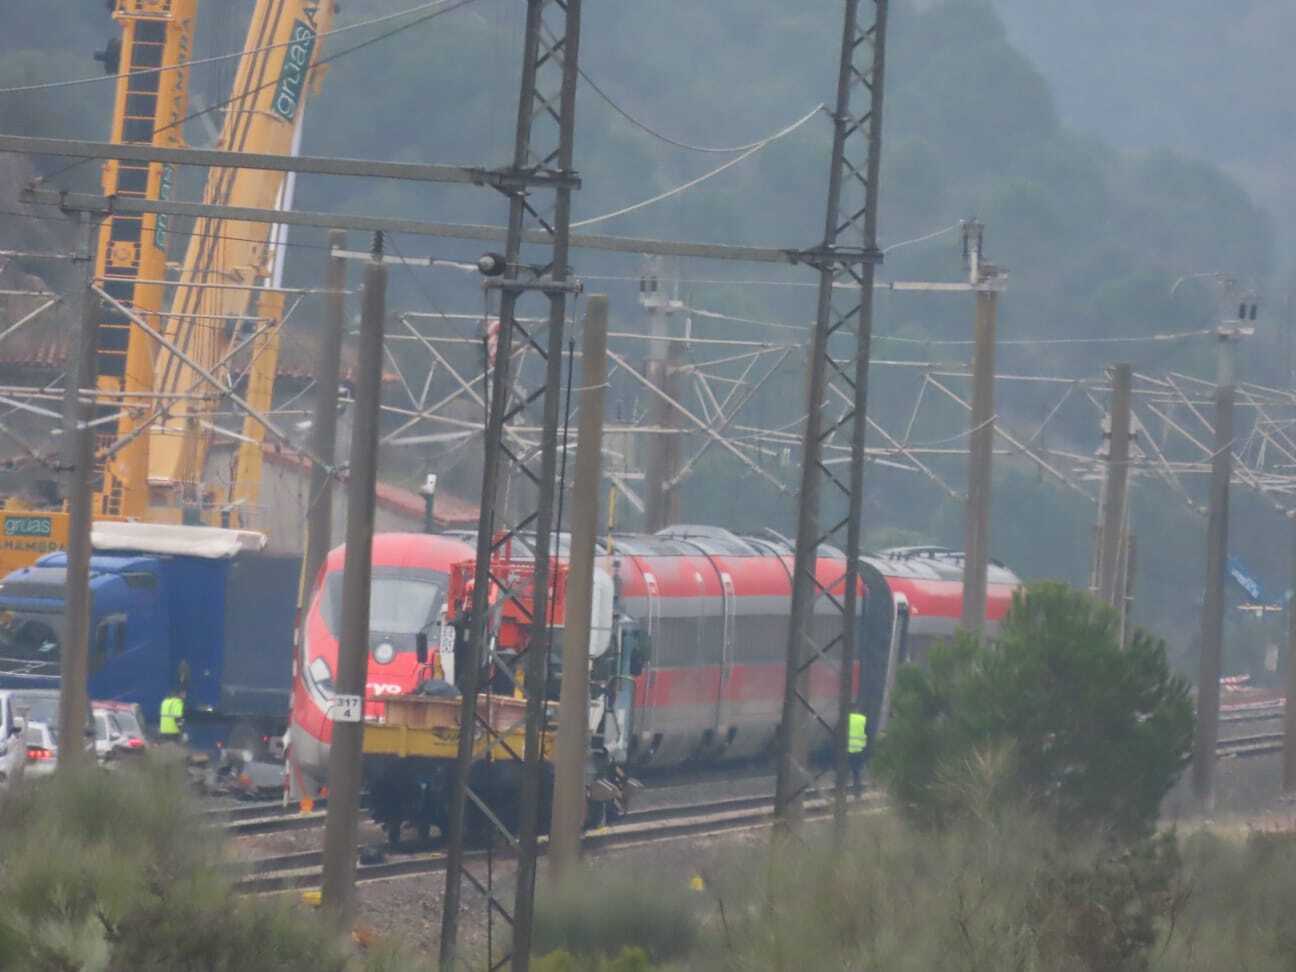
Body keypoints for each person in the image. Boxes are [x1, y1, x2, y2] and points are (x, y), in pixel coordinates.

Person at [847, 708, 868, 792]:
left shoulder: (846, 718)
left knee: (844, 771)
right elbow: (868, 733)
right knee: (856, 772)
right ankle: (857, 792)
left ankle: (842, 791)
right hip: (859, 749)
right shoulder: (863, 719)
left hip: (847, 749)